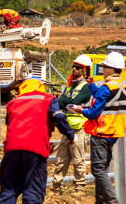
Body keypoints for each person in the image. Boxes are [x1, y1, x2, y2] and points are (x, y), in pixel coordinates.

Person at [0, 78, 74, 204]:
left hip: (12, 149)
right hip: (35, 149)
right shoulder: (48, 99)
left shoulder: (13, 102)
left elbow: (8, 123)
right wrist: (70, 134)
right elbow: (59, 117)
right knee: (33, 191)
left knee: (8, 191)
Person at [70, 52, 126, 204]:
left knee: (98, 169)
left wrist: (80, 110)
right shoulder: (121, 85)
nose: (102, 69)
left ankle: (112, 201)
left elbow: (94, 112)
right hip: (114, 132)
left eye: (104, 66)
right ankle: (101, 201)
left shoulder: (107, 87)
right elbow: (105, 99)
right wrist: (92, 86)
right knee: (102, 168)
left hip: (101, 132)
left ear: (111, 68)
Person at [51, 55, 93, 193]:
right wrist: (68, 102)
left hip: (79, 129)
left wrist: (68, 102)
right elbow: (62, 102)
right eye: (73, 67)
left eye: (77, 67)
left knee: (78, 160)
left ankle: (79, 188)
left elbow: (75, 102)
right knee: (61, 160)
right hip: (67, 129)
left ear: (84, 70)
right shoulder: (70, 86)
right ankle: (55, 187)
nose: (74, 69)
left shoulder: (85, 88)